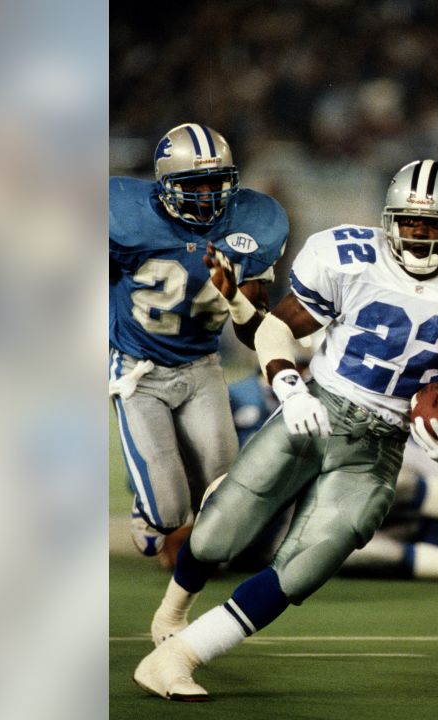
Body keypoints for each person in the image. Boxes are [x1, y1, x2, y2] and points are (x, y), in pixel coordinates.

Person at [134, 159, 438, 701]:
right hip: (319, 405)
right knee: (221, 531)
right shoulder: (348, 257)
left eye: (432, 225)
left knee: (305, 567)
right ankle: (172, 612)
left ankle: (180, 656)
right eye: (409, 222)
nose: (419, 234)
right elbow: (274, 329)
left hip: (381, 444)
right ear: (390, 220)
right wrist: (290, 388)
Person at [109, 122, 288, 559]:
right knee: (168, 515)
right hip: (138, 370)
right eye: (195, 184)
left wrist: (236, 297)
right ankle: (150, 503)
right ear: (166, 185)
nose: (207, 195)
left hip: (203, 366)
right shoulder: (122, 214)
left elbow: (250, 329)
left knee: (224, 497)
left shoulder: (254, 224)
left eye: (217, 183)